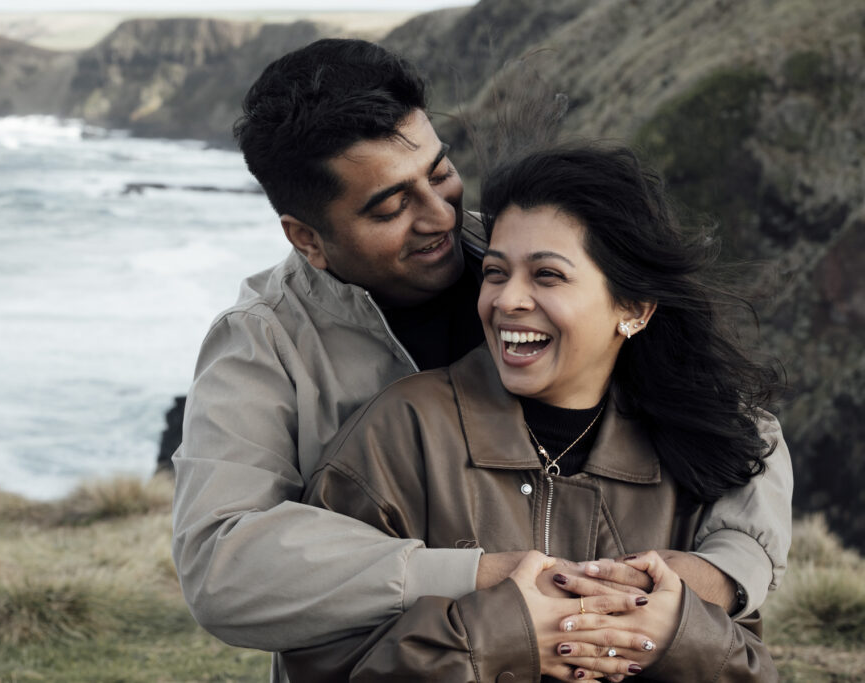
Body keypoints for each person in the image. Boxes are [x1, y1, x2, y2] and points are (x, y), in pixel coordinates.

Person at [171, 39, 791, 682]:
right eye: (390, 206)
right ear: (308, 239)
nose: (440, 216)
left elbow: (735, 421)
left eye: (439, 173)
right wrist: (483, 580)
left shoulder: (519, 254)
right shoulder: (263, 340)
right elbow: (223, 566)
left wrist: (702, 581)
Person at [282, 145, 786, 681]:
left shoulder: (696, 449)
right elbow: (322, 659)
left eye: (547, 276)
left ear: (633, 309)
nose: (507, 300)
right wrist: (498, 637)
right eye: (496, 273)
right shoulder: (401, 433)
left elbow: (752, 664)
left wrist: (672, 636)